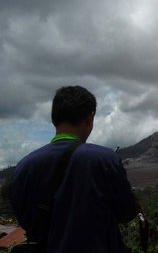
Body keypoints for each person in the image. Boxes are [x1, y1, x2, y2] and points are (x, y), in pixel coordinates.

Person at [9, 86, 139, 252]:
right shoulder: (105, 159)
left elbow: (26, 220)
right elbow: (126, 212)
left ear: (54, 118)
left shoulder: (23, 167)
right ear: (90, 118)